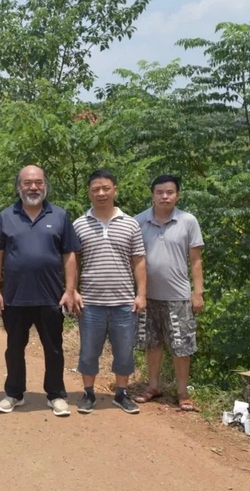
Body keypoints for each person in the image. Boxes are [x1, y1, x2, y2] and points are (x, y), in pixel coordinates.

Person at [0, 165, 80, 417]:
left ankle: (56, 395)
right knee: (14, 348)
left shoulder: (59, 215)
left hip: (51, 296)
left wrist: (70, 290)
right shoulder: (6, 216)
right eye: (27, 183)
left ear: (45, 185)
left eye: (38, 182)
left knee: (54, 348)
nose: (33, 187)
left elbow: (69, 255)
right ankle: (14, 394)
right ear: (19, 186)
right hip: (15, 297)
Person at [72, 169, 146, 415]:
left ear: (115, 190)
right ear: (89, 193)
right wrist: (72, 290)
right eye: (96, 189)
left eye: (106, 188)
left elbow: (138, 260)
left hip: (124, 302)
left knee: (124, 352)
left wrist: (141, 294)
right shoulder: (79, 224)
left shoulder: (130, 223)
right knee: (88, 352)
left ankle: (121, 394)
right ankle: (88, 393)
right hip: (90, 302)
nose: (101, 193)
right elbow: (73, 260)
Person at [133, 175, 204, 411]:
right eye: (160, 192)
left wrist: (198, 292)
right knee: (152, 344)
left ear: (177, 195)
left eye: (170, 192)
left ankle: (183, 392)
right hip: (147, 296)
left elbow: (196, 260)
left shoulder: (188, 221)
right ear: (152, 195)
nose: (165, 196)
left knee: (181, 347)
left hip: (178, 296)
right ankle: (153, 386)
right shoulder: (138, 221)